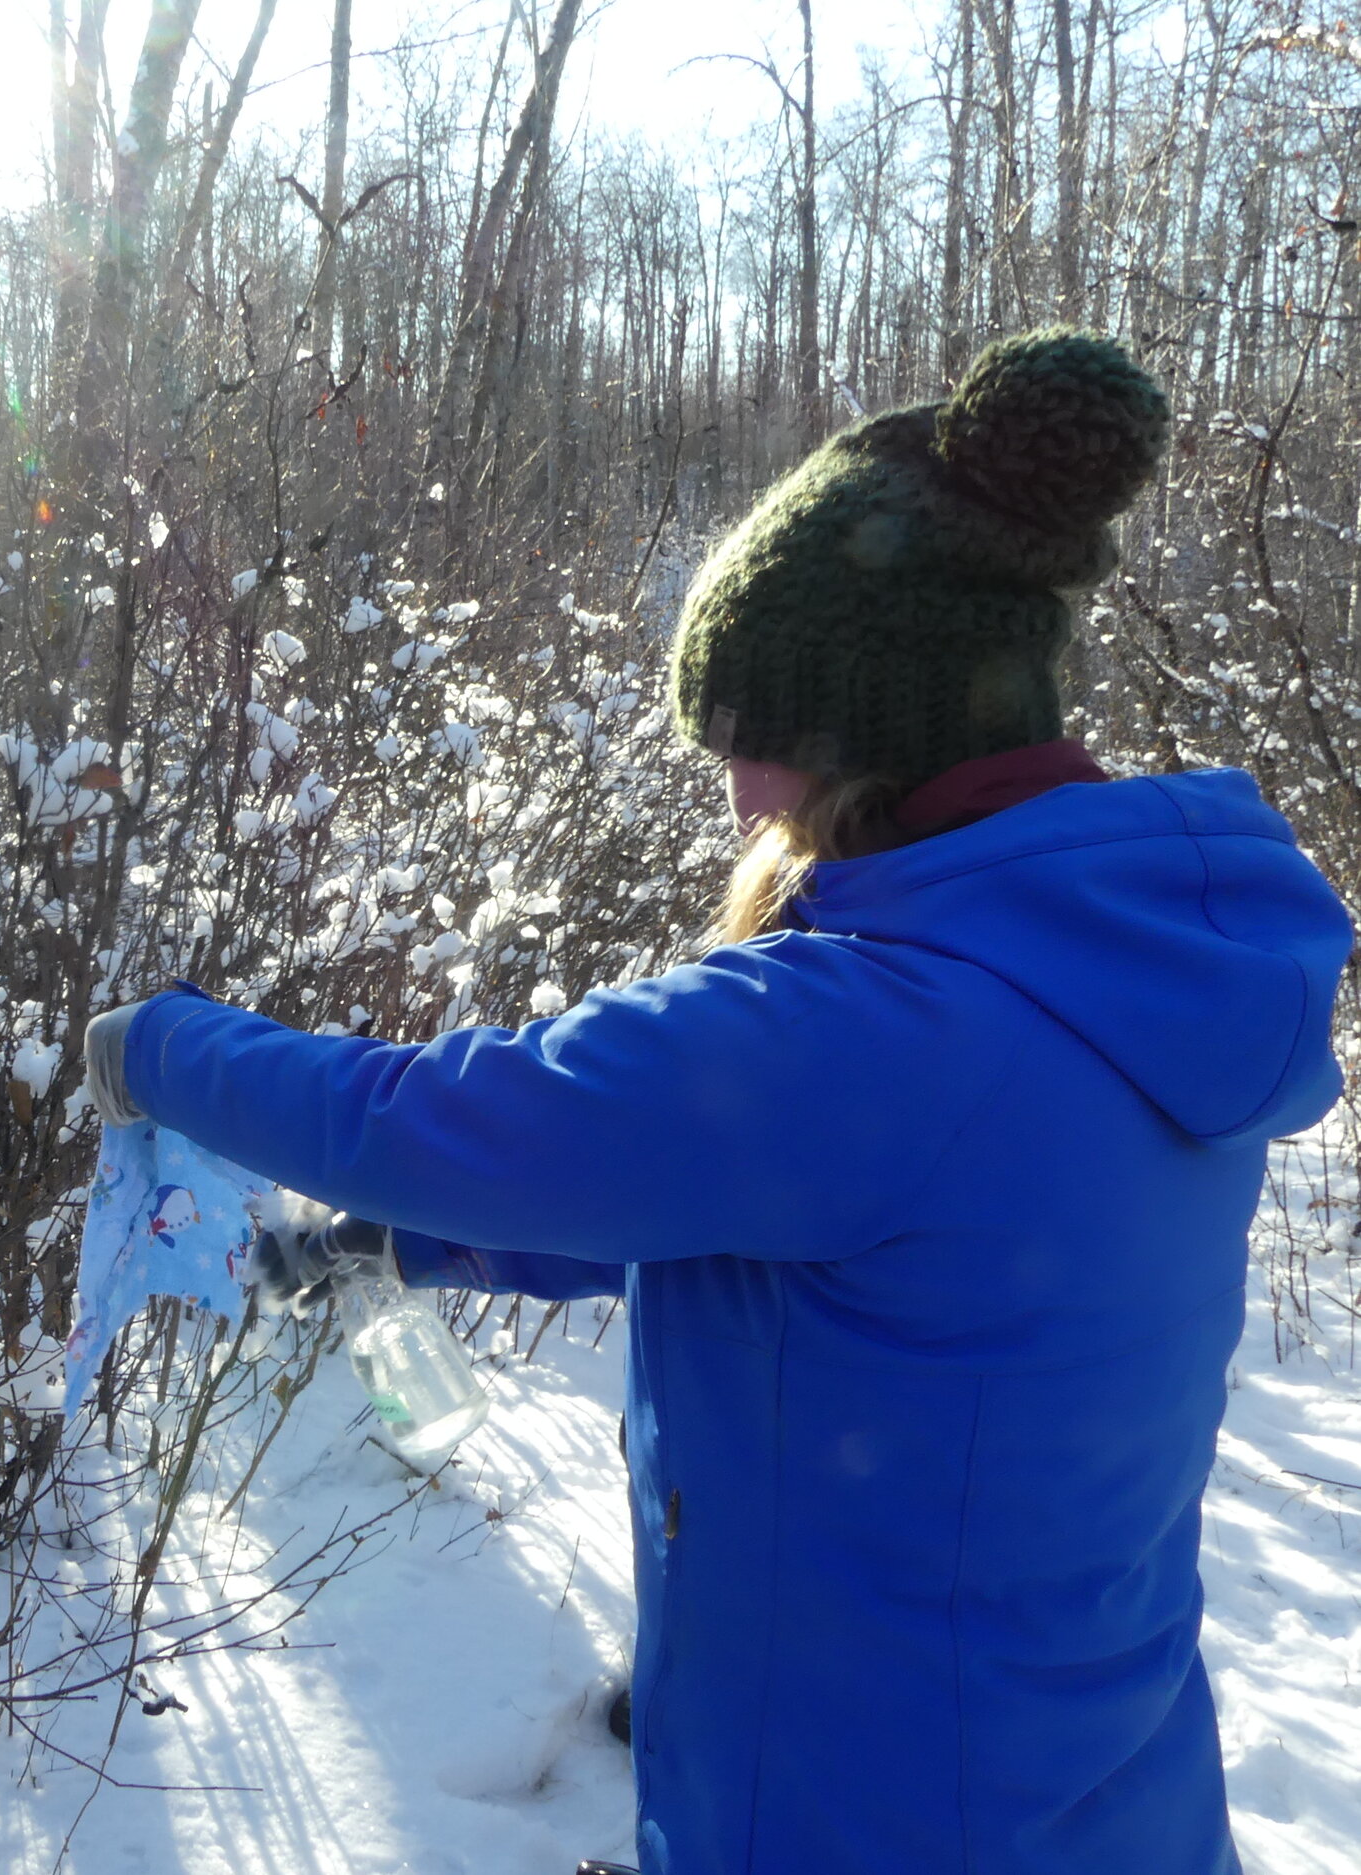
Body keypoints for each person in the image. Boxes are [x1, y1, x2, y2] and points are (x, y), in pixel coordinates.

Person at [81, 330, 1352, 1875]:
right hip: (1090, 1782)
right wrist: (408, 1249)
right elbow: (836, 1240)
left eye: (755, 741)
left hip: (878, 1816)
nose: (738, 792)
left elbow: (427, 1118)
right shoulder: (1132, 969)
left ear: (877, 732)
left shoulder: (869, 1029)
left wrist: (159, 1047)